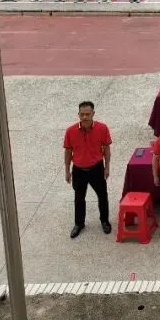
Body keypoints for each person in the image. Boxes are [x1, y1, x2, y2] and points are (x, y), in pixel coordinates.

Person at [63, 100, 112, 239]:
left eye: (87, 114)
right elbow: (68, 151)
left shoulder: (102, 128)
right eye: (82, 114)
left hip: (96, 168)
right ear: (78, 114)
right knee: (79, 198)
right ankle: (79, 223)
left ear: (93, 114)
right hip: (78, 170)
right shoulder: (70, 131)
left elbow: (106, 149)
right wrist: (67, 170)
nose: (85, 117)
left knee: (103, 196)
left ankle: (104, 221)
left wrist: (107, 167)